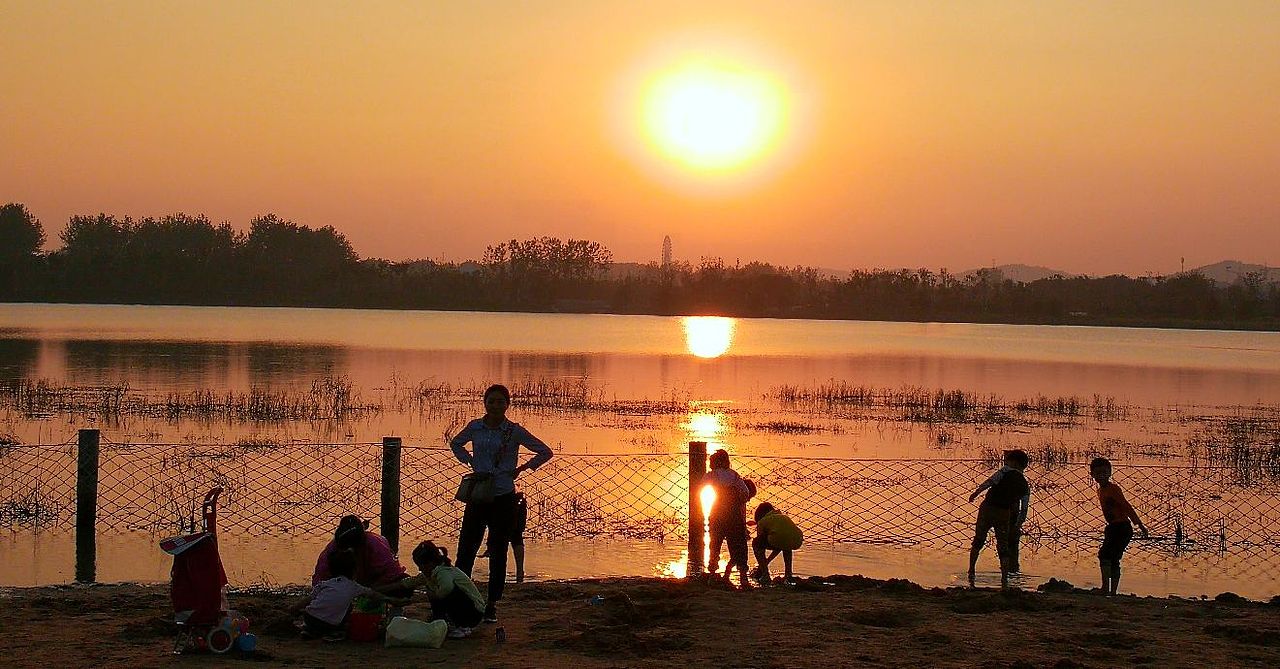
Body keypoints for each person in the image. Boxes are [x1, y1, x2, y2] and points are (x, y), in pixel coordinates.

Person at [449, 384, 553, 623]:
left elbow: (545, 451)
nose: (495, 405)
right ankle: (463, 597)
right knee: (466, 548)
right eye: (491, 401)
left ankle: (492, 604)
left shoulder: (514, 431)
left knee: (498, 551)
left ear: (507, 404)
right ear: (484, 403)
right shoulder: (475, 427)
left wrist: (523, 468)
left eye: (500, 402)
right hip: (478, 496)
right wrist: (469, 461)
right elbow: (455, 443)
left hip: (504, 498)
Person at [380, 540, 486, 639]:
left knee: (446, 593)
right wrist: (383, 588)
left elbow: (446, 589)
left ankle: (463, 626)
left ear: (430, 563)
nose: (420, 569)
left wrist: (427, 596)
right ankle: (442, 621)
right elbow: (408, 582)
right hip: (465, 608)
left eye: (421, 566)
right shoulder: (429, 574)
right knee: (433, 592)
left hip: (474, 612)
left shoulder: (444, 572)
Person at [296, 549, 407, 640]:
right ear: (354, 571)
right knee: (348, 607)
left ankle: (310, 631)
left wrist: (293, 609)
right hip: (330, 624)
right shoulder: (354, 587)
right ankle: (334, 632)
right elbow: (373, 594)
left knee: (319, 614)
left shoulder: (324, 584)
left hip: (309, 617)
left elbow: (308, 599)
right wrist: (392, 600)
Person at [966, 449, 1030, 588]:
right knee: (1003, 546)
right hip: (1004, 513)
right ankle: (1004, 579)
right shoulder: (1024, 485)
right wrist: (1017, 525)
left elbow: (989, 482)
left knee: (978, 540)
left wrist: (976, 493)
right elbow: (1024, 509)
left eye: (1008, 459)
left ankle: (971, 571)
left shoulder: (1004, 471)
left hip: (987, 509)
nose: (1005, 461)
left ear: (1013, 462)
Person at [1090, 457, 1148, 595]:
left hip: (1122, 528)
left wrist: (1140, 524)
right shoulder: (1101, 490)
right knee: (1112, 557)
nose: (1101, 476)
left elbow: (1126, 506)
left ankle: (1107, 589)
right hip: (1112, 527)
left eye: (1104, 473)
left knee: (1106, 555)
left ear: (1110, 473)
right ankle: (1110, 591)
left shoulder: (1113, 489)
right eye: (1098, 473)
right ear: (1092, 475)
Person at [312, 514, 408, 590]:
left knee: (402, 586)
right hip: (344, 586)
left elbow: (392, 572)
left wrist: (372, 589)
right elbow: (319, 580)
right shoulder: (332, 550)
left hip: (375, 584)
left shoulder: (376, 545)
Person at [703, 448, 754, 588]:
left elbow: (700, 488)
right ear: (727, 462)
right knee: (738, 545)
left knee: (715, 544)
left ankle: (712, 575)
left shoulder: (710, 476)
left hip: (717, 512)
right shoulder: (734, 475)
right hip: (733, 514)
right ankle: (744, 578)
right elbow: (745, 492)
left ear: (713, 463)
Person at [479, 492, 529, 583]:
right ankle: (519, 574)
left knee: (497, 531)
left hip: (497, 494)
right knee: (516, 535)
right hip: (509, 492)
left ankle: (498, 573)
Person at [750, 502, 803, 584]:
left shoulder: (762, 521)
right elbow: (780, 545)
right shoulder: (784, 517)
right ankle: (788, 575)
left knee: (756, 543)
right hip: (797, 540)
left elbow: (760, 541)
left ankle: (765, 575)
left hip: (780, 539)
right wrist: (767, 561)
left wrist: (764, 563)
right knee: (786, 545)